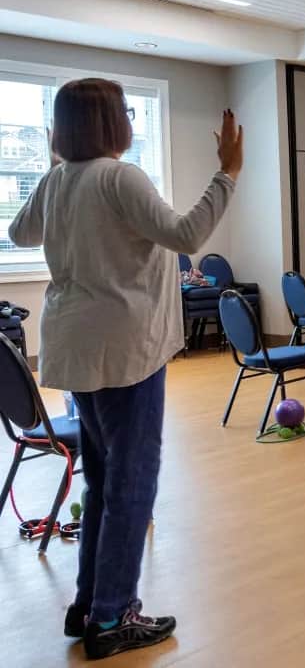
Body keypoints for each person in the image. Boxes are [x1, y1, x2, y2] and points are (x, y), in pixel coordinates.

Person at [9, 79, 242, 660]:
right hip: (124, 352)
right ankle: (112, 616)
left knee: (103, 482)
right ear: (113, 122)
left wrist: (55, 167)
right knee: (131, 488)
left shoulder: (58, 179)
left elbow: (18, 232)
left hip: (77, 352)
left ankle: (92, 604)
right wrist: (227, 173)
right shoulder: (119, 176)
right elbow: (186, 235)